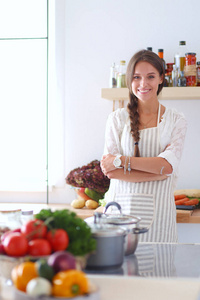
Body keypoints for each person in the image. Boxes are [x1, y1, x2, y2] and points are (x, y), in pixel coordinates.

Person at [100, 49, 187, 243]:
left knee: (159, 270)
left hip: (160, 218)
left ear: (161, 79)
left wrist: (122, 161)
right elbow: (110, 170)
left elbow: (168, 166)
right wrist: (157, 173)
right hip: (119, 215)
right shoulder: (116, 119)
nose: (143, 84)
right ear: (129, 80)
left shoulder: (175, 120)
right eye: (136, 77)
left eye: (150, 76)